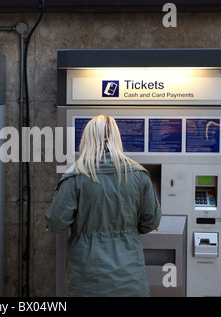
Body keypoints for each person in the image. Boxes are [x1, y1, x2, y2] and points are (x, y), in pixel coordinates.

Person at [45, 115, 161, 297]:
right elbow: (151, 221)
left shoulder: (75, 175)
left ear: (87, 138)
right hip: (130, 279)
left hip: (87, 281)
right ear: (117, 137)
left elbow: (56, 221)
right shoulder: (139, 174)